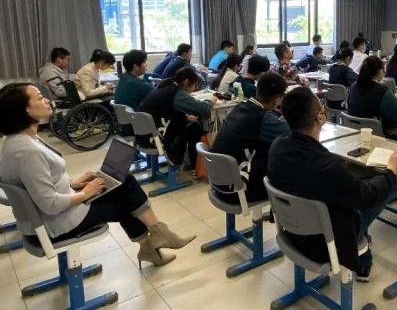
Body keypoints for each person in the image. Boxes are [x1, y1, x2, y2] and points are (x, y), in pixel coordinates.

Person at [0, 83, 196, 268]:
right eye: (40, 98)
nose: (47, 100)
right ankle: (155, 239)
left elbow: (40, 184)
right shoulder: (27, 152)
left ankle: (155, 239)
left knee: (123, 181)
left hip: (51, 216)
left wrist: (73, 183)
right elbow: (50, 204)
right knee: (126, 201)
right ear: (25, 110)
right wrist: (85, 193)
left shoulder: (19, 140)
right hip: (57, 224)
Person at [268, 87, 397, 280]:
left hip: (291, 232)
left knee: (361, 184)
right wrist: (391, 171)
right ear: (320, 117)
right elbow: (366, 198)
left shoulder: (277, 146)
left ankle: (364, 255)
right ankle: (362, 257)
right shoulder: (329, 166)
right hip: (326, 244)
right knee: (384, 187)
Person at [211, 73, 290, 203]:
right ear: (277, 99)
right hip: (238, 189)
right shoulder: (263, 118)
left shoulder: (240, 107)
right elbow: (293, 134)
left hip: (219, 183)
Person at [140, 68, 215, 168]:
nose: (194, 88)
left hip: (144, 136)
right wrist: (211, 100)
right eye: (194, 85)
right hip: (156, 141)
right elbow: (202, 108)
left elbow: (165, 112)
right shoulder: (176, 93)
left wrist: (185, 117)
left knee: (191, 124)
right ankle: (187, 163)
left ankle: (189, 162)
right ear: (186, 82)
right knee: (195, 126)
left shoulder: (166, 86)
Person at [347, 57, 397, 136]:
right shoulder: (381, 91)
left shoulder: (353, 86)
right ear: (380, 71)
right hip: (374, 134)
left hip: (353, 131)